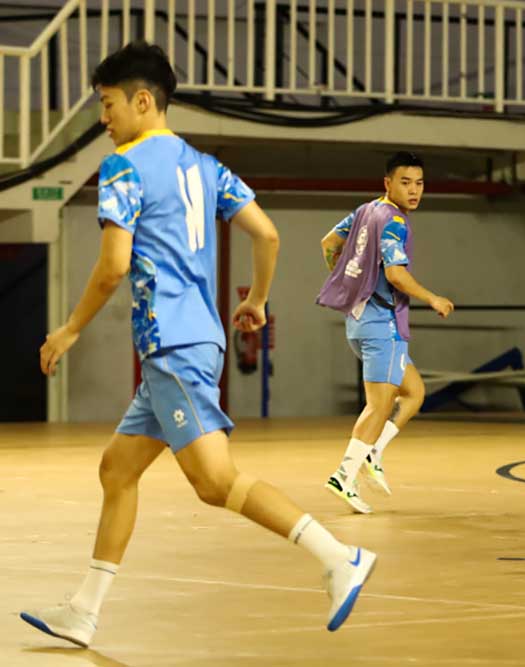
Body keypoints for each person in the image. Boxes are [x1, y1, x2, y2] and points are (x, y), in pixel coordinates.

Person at [20, 42, 375, 648]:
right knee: (117, 469)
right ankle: (85, 609)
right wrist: (257, 300)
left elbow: (112, 267)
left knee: (214, 483)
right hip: (195, 341)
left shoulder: (124, 166)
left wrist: (70, 329)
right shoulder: (205, 167)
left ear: (141, 101)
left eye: (107, 105)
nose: (102, 119)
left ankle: (338, 556)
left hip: (173, 346)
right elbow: (267, 233)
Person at [317, 152, 453, 513]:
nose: (414, 190)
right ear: (387, 184)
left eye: (419, 183)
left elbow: (329, 243)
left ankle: (372, 452)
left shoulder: (365, 212)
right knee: (378, 405)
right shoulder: (394, 221)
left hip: (358, 320)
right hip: (382, 324)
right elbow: (395, 274)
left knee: (414, 392)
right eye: (405, 182)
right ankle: (344, 476)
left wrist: (349, 279)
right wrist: (432, 297)